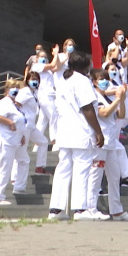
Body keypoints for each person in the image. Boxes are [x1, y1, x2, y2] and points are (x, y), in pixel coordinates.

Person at [48, 51, 105, 221]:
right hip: (80, 130)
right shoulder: (83, 81)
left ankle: (56, 209)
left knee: (63, 169)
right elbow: (87, 108)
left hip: (65, 131)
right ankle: (79, 210)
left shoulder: (63, 81)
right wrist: (98, 131)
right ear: (86, 66)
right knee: (81, 168)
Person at [86, 69, 128, 221]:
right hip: (100, 141)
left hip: (112, 142)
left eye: (106, 79)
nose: (105, 82)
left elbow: (120, 115)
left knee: (114, 176)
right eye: (101, 79)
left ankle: (117, 210)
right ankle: (90, 208)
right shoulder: (94, 96)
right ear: (94, 81)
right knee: (96, 175)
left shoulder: (107, 98)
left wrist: (121, 99)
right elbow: (104, 113)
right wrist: (117, 99)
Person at [0, 81, 28, 205]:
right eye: (13, 88)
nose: (15, 90)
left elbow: (20, 120)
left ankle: (19, 186)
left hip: (17, 139)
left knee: (24, 160)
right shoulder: (4, 102)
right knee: (5, 167)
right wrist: (10, 123)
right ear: (7, 90)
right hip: (7, 140)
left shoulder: (16, 104)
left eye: (17, 88)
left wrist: (22, 134)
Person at [14, 70, 50, 182]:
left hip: (31, 125)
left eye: (36, 80)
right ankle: (15, 177)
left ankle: (40, 167)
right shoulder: (25, 92)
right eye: (32, 79)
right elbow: (17, 104)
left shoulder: (34, 92)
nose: (34, 82)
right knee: (21, 150)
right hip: (24, 125)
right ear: (27, 80)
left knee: (43, 142)